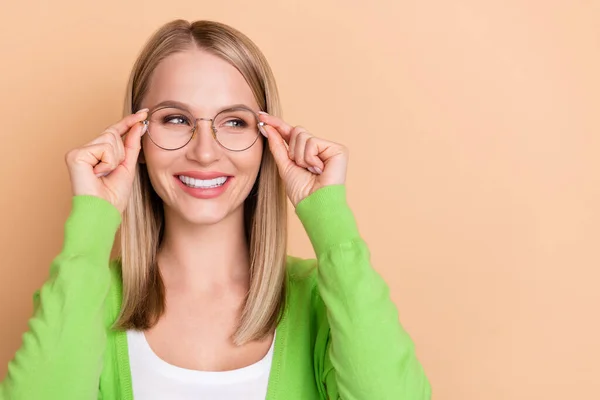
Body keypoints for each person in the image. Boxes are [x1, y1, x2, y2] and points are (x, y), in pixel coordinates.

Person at [0, 19, 430, 400]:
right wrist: (91, 224)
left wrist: (330, 220)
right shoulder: (87, 296)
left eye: (234, 122)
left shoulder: (324, 299)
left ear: (267, 143)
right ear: (137, 139)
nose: (205, 153)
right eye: (175, 119)